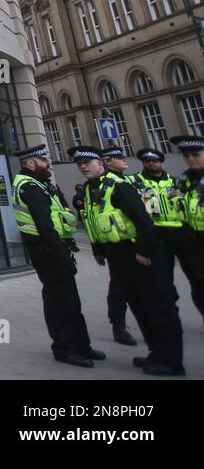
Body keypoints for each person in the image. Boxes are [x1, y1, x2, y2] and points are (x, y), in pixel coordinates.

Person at [72, 146, 184, 377]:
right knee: (138, 304)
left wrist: (144, 250)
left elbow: (143, 219)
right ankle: (156, 352)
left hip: (136, 250)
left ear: (100, 163)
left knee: (156, 304)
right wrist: (98, 249)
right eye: (79, 164)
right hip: (117, 253)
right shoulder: (91, 189)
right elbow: (93, 221)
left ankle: (171, 360)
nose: (83, 167)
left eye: (87, 162)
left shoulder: (118, 185)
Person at [9, 144, 100, 368]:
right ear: (31, 163)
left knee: (71, 300)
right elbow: (44, 225)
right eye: (43, 160)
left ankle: (81, 345)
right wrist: (61, 254)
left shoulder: (42, 183)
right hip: (47, 250)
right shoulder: (29, 186)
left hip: (55, 248)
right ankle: (65, 348)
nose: (48, 163)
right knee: (59, 300)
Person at [136, 144, 202, 325]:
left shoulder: (175, 182)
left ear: (161, 163)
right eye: (147, 161)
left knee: (196, 276)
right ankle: (169, 316)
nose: (151, 164)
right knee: (163, 279)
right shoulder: (139, 183)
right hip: (158, 234)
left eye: (154, 161)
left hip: (181, 233)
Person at [92, 145, 137, 346]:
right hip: (119, 244)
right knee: (119, 287)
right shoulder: (103, 186)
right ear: (107, 161)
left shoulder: (132, 180)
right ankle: (118, 325)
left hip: (139, 242)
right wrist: (98, 248)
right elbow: (92, 218)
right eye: (120, 157)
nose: (124, 159)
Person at [169, 135, 204, 324]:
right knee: (198, 284)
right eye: (186, 155)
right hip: (194, 242)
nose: (191, 158)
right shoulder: (186, 183)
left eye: (196, 154)